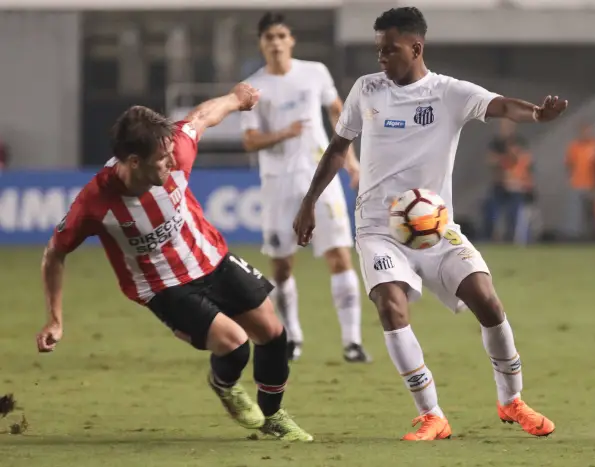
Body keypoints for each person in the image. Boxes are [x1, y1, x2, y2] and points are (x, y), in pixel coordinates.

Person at [293, 7, 567, 441]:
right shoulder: (367, 89)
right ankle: (432, 415)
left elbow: (500, 106)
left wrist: (536, 114)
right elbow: (337, 148)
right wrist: (309, 201)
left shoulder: (449, 93)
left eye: (390, 49)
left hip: (436, 228)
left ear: (416, 47)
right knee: (390, 305)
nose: (381, 57)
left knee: (488, 302)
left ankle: (512, 400)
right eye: (379, 49)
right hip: (378, 228)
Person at [36, 83, 313, 442]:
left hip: (210, 257)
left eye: (170, 154)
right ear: (134, 162)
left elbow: (201, 117)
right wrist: (55, 319)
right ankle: (224, 384)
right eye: (161, 160)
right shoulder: (94, 203)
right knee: (234, 344)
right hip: (163, 285)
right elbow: (54, 253)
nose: (171, 162)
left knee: (273, 334)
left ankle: (273, 417)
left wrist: (235, 99)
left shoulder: (175, 150)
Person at [240, 12, 370, 363]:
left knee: (339, 255)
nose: (276, 43)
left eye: (281, 36)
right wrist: (285, 132)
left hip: (320, 177)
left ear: (291, 40)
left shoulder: (315, 72)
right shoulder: (253, 87)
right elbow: (249, 140)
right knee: (282, 266)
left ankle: (352, 342)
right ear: (261, 43)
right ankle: (292, 337)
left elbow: (338, 112)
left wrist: (352, 161)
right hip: (277, 183)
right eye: (269, 37)